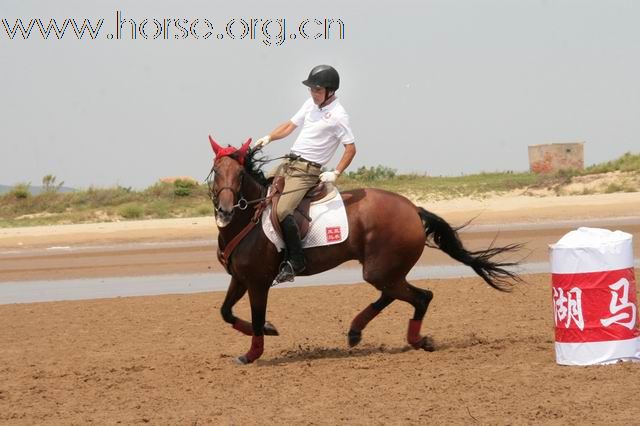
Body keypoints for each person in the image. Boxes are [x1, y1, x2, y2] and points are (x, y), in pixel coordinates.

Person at [255, 64, 356, 283]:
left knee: (282, 211)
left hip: (307, 172)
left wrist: (336, 172)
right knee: (259, 189)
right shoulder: (310, 105)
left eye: (317, 90)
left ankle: (296, 260)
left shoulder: (339, 116)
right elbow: (290, 125)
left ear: (330, 91)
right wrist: (269, 137)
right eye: (311, 89)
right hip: (289, 162)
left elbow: (350, 148)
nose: (313, 93)